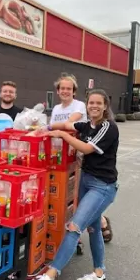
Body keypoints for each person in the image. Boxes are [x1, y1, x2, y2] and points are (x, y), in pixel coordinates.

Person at [33, 89, 119, 280]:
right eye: (91, 103)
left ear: (105, 106)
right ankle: (99, 275)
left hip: (103, 187)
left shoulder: (108, 127)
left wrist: (61, 135)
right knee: (94, 228)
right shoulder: (88, 125)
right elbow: (67, 124)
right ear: (87, 105)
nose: (94, 106)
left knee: (74, 227)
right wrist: (45, 127)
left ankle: (50, 276)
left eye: (99, 103)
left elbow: (87, 148)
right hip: (87, 181)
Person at [46, 73, 113, 242]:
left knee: (76, 196)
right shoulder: (55, 109)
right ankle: (70, 230)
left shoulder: (80, 106)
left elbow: (70, 122)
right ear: (58, 91)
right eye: (62, 88)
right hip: (59, 158)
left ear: (74, 91)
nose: (65, 91)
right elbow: (53, 132)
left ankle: (101, 222)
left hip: (77, 156)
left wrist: (52, 127)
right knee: (65, 195)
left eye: (69, 88)